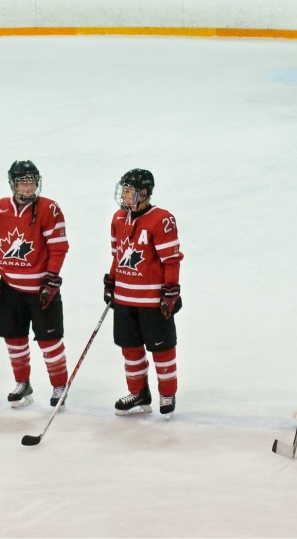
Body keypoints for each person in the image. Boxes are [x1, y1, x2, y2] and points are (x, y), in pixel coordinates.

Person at [0, 160, 69, 409]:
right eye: (23, 182)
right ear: (13, 183)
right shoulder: (1, 208)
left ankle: (59, 386)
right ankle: (23, 383)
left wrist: (51, 279)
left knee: (50, 342)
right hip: (10, 289)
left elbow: (58, 247)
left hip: (41, 290)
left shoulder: (49, 208)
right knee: (14, 339)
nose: (28, 188)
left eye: (31, 182)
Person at [104, 169, 183, 419]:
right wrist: (111, 281)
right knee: (130, 350)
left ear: (145, 193)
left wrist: (170, 291)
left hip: (151, 301)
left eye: (130, 190)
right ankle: (138, 393)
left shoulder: (161, 220)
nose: (124, 194)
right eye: (124, 189)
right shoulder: (118, 218)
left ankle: (167, 393)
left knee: (162, 350)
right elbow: (118, 256)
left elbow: (171, 260)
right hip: (125, 299)